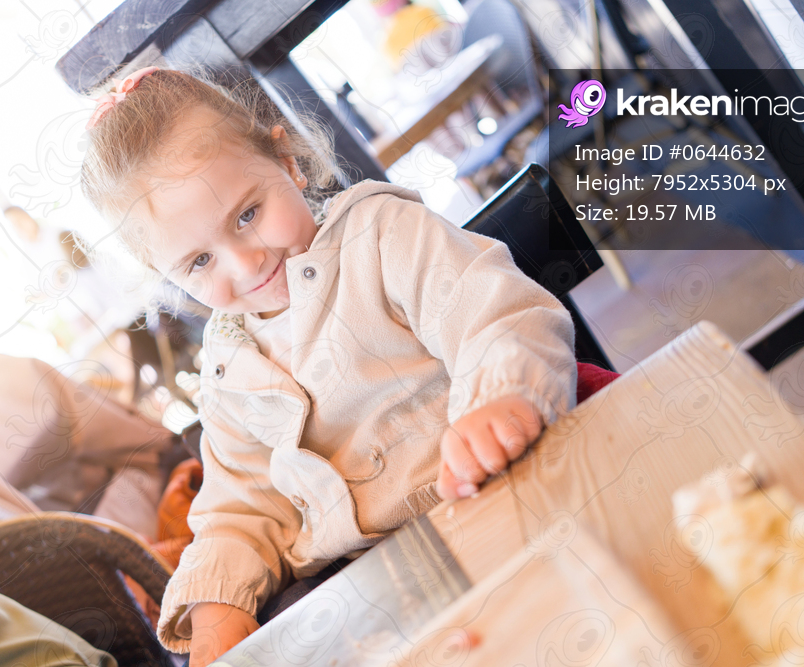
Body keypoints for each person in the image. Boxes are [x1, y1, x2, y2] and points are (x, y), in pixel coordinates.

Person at [79, 66, 577, 665]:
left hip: (493, 496)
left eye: (247, 214)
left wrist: (500, 401)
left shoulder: (381, 238)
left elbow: (496, 320)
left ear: (287, 161)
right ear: (166, 274)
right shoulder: (227, 369)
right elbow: (242, 504)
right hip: (374, 587)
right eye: (200, 261)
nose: (244, 264)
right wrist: (218, 605)